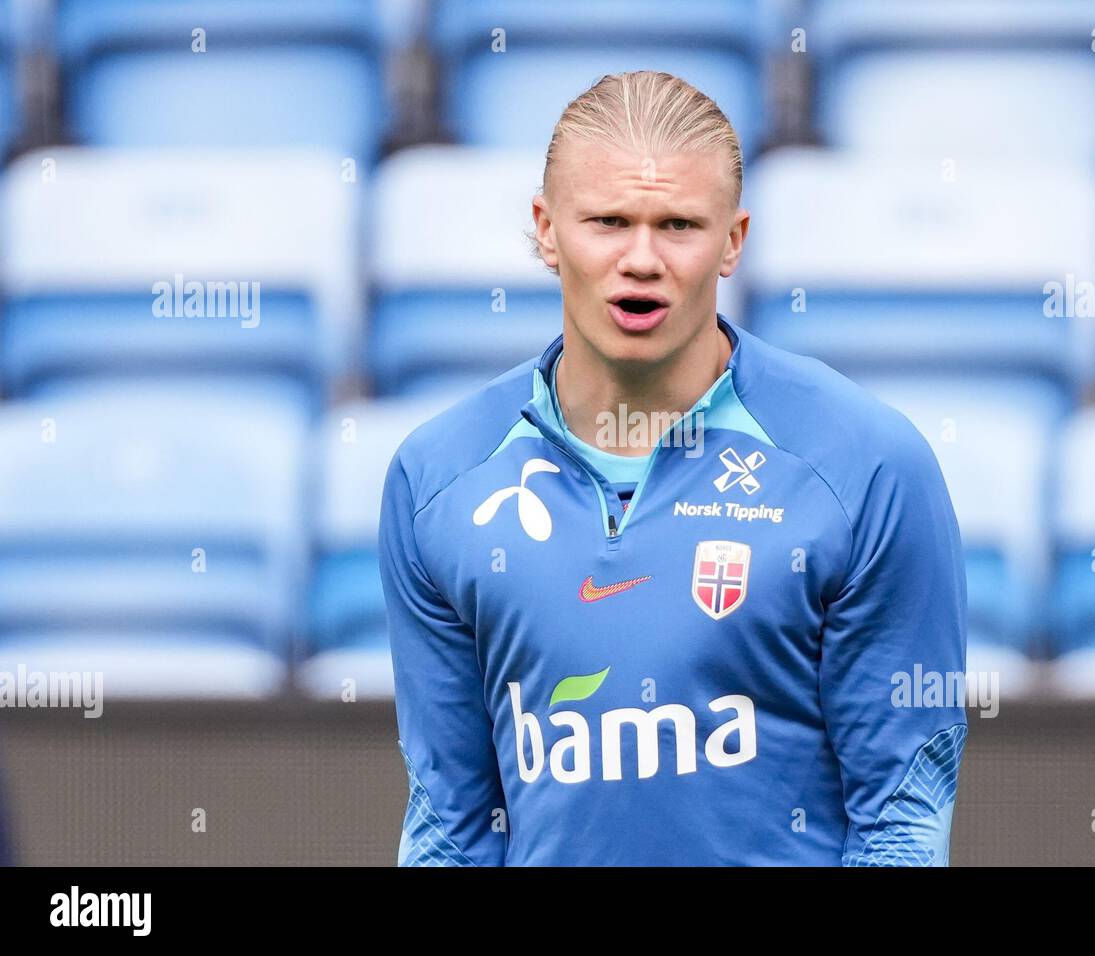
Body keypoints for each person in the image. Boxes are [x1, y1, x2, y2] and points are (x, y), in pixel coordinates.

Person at [380, 71, 968, 866]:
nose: (642, 258)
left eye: (680, 224)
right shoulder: (439, 477)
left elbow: (901, 817)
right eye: (609, 222)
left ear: (734, 239)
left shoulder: (867, 465)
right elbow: (451, 828)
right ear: (546, 230)